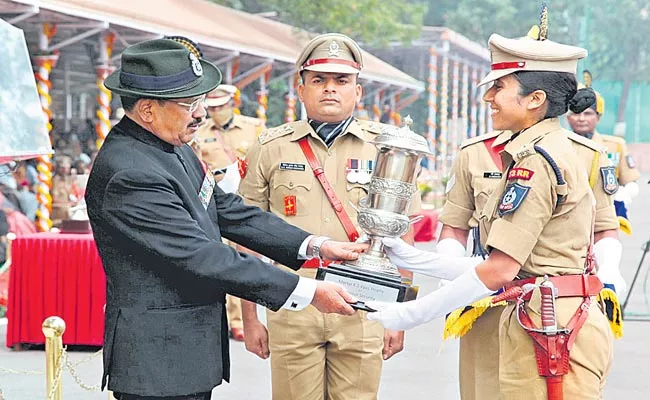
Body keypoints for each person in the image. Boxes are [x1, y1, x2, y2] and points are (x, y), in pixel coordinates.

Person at [86, 38, 367, 400]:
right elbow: (203, 256)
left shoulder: (169, 146)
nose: (201, 113)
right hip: (159, 361)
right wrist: (308, 291)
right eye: (190, 103)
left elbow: (227, 209)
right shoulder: (131, 173)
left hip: (185, 353)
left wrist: (315, 245)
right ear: (147, 110)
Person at [367, 23, 614, 399]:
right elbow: (516, 266)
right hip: (540, 316)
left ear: (534, 99)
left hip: (552, 328)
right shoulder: (537, 150)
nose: (490, 98)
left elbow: (500, 271)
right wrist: (415, 259)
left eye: (499, 87)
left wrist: (412, 314)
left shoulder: (537, 161)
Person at [237, 33, 420, 400]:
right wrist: (250, 317)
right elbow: (247, 233)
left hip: (363, 303)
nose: (330, 90)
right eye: (318, 80)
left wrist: (402, 317)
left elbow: (404, 238)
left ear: (358, 91)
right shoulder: (270, 147)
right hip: (293, 300)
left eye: (341, 81)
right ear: (301, 90)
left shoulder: (386, 147)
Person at [192, 84, 266, 341]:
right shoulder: (200, 132)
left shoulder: (254, 127)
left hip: (247, 201)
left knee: (244, 260)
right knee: (221, 261)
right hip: (216, 203)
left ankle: (241, 320)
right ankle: (225, 318)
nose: (216, 112)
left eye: (221, 107)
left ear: (231, 104)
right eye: (212, 108)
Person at [567, 70, 641, 235]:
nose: (581, 118)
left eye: (588, 113)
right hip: (568, 221)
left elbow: (631, 181)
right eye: (576, 113)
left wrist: (623, 194)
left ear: (598, 117)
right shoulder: (559, 145)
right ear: (567, 117)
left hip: (603, 222)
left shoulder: (615, 146)